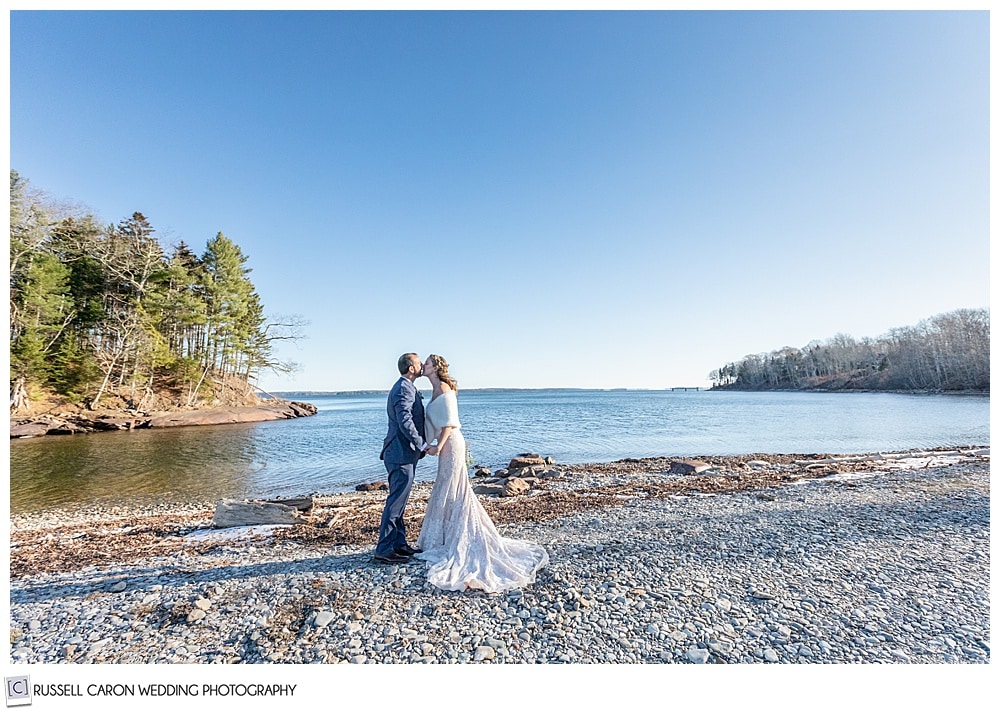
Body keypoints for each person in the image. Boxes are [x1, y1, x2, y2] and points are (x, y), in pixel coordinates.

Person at [416, 354, 549, 592]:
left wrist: (437, 446)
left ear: (435, 367)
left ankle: (459, 537)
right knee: (446, 486)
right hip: (444, 444)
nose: (423, 366)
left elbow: (449, 423)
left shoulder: (445, 387)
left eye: (426, 363)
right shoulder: (434, 391)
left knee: (454, 487)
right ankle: (442, 538)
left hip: (452, 444)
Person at [375, 353, 430, 564]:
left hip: (404, 453)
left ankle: (399, 543)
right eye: (418, 363)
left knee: (401, 500)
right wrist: (422, 444)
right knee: (396, 501)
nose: (422, 365)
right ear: (410, 368)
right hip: (399, 453)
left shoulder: (408, 387)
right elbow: (405, 420)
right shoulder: (403, 388)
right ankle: (384, 548)